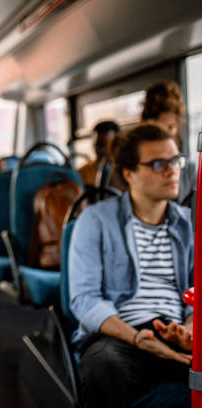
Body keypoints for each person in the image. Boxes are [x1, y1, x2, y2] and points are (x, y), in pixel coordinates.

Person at [69, 123, 193, 408]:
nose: (172, 170)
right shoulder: (96, 220)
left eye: (175, 160)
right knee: (105, 371)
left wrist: (190, 328)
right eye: (159, 163)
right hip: (119, 333)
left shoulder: (188, 223)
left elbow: (195, 290)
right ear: (129, 173)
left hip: (175, 330)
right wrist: (138, 338)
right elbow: (85, 299)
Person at [142, 80, 195, 204]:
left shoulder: (188, 168)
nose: (166, 136)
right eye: (160, 128)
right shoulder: (135, 167)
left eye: (171, 127)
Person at [77, 120, 120, 186]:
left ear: (117, 145)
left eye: (104, 145)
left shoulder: (128, 172)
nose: (100, 150)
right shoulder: (82, 173)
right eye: (97, 145)